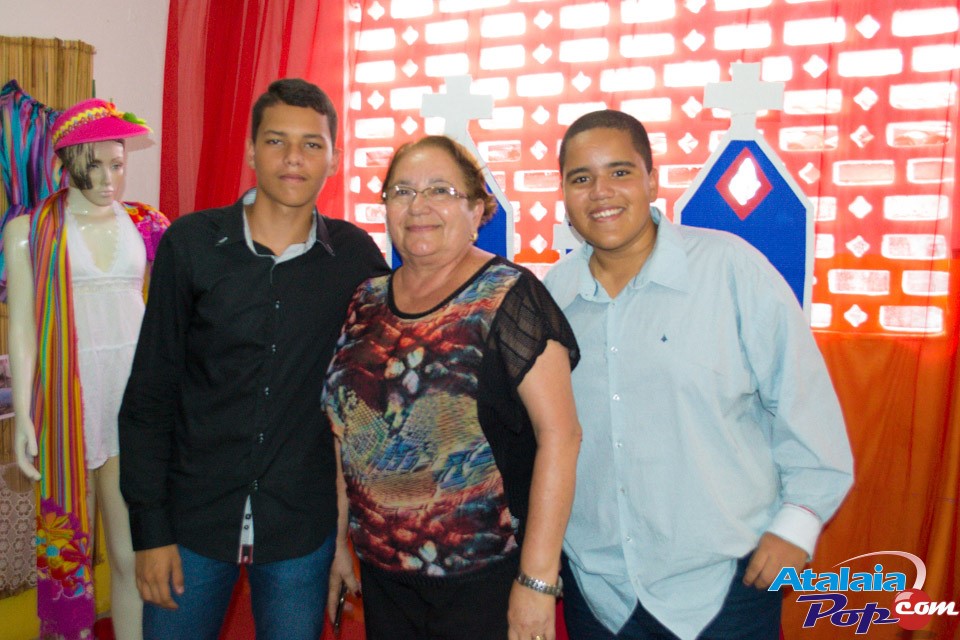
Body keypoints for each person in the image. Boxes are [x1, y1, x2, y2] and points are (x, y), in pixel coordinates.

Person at [544, 110, 854, 640]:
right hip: (598, 591)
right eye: (581, 178)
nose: (600, 192)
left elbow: (804, 402)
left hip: (725, 586)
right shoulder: (553, 295)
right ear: (565, 194)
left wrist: (797, 525)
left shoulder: (730, 268)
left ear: (652, 180)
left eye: (620, 172)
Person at [118, 78, 389, 640]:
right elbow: (149, 395)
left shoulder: (355, 258)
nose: (294, 158)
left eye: (312, 144)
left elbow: (376, 387)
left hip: (300, 526)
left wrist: (346, 536)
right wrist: (149, 531)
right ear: (250, 150)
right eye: (276, 140)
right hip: (192, 521)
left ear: (334, 158)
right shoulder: (191, 244)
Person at [321, 135, 582, 640]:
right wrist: (337, 543)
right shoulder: (366, 300)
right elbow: (343, 431)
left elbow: (562, 437)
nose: (418, 206)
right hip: (384, 575)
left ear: (477, 209)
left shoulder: (510, 295)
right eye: (402, 191)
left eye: (440, 190)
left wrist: (537, 580)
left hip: (482, 580)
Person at [5, 97, 169, 640]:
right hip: (66, 403)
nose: (107, 180)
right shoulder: (29, 229)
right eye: (93, 166)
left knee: (130, 553)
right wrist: (24, 413)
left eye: (117, 165)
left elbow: (175, 309)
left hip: (132, 399)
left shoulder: (147, 223)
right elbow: (22, 326)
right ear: (67, 163)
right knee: (68, 552)